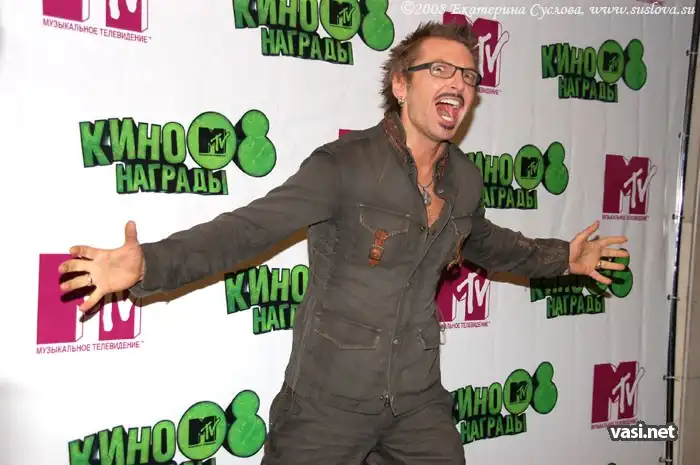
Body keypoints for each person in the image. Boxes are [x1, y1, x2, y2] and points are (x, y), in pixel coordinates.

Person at [58, 21, 628, 465]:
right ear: (401, 85)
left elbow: (491, 243)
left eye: (469, 76)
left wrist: (565, 257)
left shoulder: (465, 180)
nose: (458, 83)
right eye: (440, 70)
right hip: (326, 404)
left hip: (417, 402)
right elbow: (247, 229)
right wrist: (149, 264)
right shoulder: (344, 166)